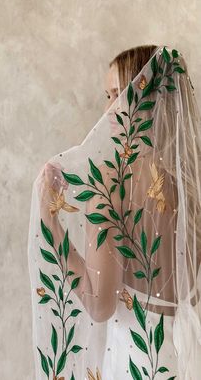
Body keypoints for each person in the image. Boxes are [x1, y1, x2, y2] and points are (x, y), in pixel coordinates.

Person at [28, 44, 201, 380]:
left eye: (117, 94)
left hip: (135, 361)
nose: (108, 109)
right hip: (185, 360)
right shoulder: (189, 182)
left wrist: (50, 222)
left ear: (149, 98)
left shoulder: (111, 180)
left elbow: (99, 303)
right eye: (107, 96)